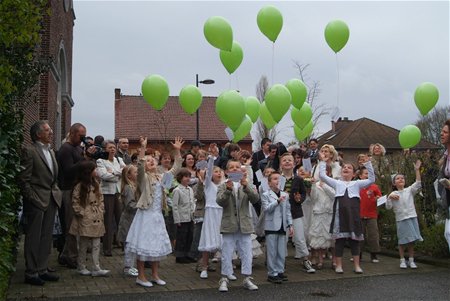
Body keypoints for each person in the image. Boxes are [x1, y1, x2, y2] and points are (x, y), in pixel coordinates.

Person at [126, 136, 184, 287]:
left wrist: (177, 151)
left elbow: (176, 168)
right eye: (148, 161)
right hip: (145, 215)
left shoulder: (161, 177)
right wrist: (143, 149)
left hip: (157, 216)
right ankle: (141, 276)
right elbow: (139, 166)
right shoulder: (143, 178)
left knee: (156, 245)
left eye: (153, 160)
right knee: (143, 245)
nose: (151, 162)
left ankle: (155, 275)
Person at [18, 121, 62, 285]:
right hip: (36, 201)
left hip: (51, 199)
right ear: (38, 134)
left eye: (50, 129)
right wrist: (34, 199)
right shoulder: (29, 151)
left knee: (46, 237)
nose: (51, 132)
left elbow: (53, 176)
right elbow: (24, 180)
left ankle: (42, 269)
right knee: (33, 237)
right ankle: (31, 273)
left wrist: (55, 192)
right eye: (47, 130)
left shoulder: (50, 151)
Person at [318, 151, 375, 274]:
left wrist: (368, 164)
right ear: (340, 171)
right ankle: (339, 265)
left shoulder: (357, 183)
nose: (346, 168)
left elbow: (371, 179)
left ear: (354, 174)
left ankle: (357, 265)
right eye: (344, 167)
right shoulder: (337, 183)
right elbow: (322, 176)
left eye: (349, 168)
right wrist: (323, 161)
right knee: (340, 241)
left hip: (353, 217)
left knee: (355, 241)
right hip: (340, 216)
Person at [217, 160, 260, 292]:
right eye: (231, 167)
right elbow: (220, 201)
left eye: (237, 167)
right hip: (229, 224)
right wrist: (228, 190)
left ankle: (247, 278)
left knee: (246, 252)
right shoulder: (223, 185)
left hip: (244, 224)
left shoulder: (246, 184)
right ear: (227, 171)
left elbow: (255, 199)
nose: (235, 169)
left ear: (241, 171)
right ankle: (224, 278)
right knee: (227, 252)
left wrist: (246, 186)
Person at [56, 123, 90, 269]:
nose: (82, 139)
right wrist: (84, 161)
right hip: (67, 189)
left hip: (77, 188)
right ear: (72, 133)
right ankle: (71, 256)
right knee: (70, 224)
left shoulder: (78, 148)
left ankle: (65, 254)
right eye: (81, 136)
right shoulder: (65, 149)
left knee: (76, 222)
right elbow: (68, 170)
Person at [69, 160, 110, 277]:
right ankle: (81, 266)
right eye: (94, 169)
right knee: (83, 243)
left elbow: (100, 198)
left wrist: (101, 209)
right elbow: (75, 201)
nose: (96, 171)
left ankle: (96, 266)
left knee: (97, 242)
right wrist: (81, 212)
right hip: (86, 217)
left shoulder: (96, 183)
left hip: (96, 215)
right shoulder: (79, 186)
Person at [279, 153, 314, 273]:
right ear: (281, 164)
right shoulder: (278, 178)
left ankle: (305, 259)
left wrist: (300, 199)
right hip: (281, 213)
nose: (287, 162)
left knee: (300, 237)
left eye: (290, 160)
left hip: (296, 211)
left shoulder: (298, 179)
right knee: (282, 238)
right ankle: (280, 261)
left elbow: (303, 193)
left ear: (294, 163)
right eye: (285, 160)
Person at [386, 160, 423, 269]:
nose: (400, 179)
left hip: (412, 217)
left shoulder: (409, 190)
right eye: (397, 178)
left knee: (411, 241)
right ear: (394, 183)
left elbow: (418, 183)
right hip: (401, 219)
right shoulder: (393, 194)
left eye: (402, 178)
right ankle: (402, 260)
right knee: (402, 241)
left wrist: (417, 170)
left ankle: (411, 260)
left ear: (405, 181)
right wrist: (389, 197)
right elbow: (388, 207)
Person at [310, 144, 341, 269]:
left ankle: (334, 260)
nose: (324, 153)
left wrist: (324, 185)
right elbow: (316, 183)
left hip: (332, 205)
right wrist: (313, 185)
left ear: (332, 154)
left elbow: (337, 189)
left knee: (333, 234)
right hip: (319, 203)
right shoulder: (317, 166)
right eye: (322, 151)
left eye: (327, 151)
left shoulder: (337, 167)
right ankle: (320, 259)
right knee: (320, 234)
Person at [197, 145, 224, 279]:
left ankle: (227, 269)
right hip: (210, 213)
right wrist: (212, 157)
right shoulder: (208, 185)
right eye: (215, 171)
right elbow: (207, 175)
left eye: (220, 172)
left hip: (222, 214)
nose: (218, 173)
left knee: (224, 241)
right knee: (208, 240)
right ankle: (204, 267)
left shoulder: (224, 185)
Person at [261, 172, 293, 284]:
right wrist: (277, 201)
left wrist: (290, 224)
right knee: (272, 251)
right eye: (274, 179)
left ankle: (280, 271)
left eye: (279, 179)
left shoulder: (285, 194)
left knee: (281, 251)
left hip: (282, 226)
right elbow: (266, 209)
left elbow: (288, 210)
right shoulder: (266, 194)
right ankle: (272, 273)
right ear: (269, 183)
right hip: (271, 226)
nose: (277, 181)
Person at [96, 140, 126, 256]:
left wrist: (113, 172)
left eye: (114, 147)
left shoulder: (119, 160)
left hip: (119, 193)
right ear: (105, 149)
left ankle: (125, 247)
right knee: (108, 221)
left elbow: (126, 172)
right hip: (107, 193)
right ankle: (107, 249)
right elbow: (103, 176)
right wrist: (118, 174)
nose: (112, 149)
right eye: (110, 147)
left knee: (121, 220)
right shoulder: (100, 161)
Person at [117, 165, 139, 277]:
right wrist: (141, 205)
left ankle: (132, 265)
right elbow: (130, 205)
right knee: (129, 244)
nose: (138, 173)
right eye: (135, 172)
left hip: (134, 219)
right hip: (129, 220)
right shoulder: (128, 188)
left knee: (133, 244)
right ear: (129, 175)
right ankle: (128, 267)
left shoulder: (135, 186)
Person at [358, 166, 382, 263]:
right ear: (360, 176)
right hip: (359, 214)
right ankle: (358, 254)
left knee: (373, 235)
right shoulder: (357, 186)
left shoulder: (374, 186)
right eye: (365, 173)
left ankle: (374, 255)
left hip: (372, 214)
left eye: (369, 174)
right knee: (359, 235)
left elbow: (379, 196)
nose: (367, 176)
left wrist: (377, 198)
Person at [172, 168, 196, 264]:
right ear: (180, 178)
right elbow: (175, 206)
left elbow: (192, 201)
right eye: (186, 177)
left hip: (190, 217)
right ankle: (179, 255)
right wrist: (177, 219)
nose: (188, 178)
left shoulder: (190, 189)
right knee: (181, 237)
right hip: (182, 218)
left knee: (189, 236)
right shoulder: (177, 190)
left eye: (189, 177)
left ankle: (187, 254)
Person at [438, 119, 450, 251]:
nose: (441, 134)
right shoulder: (445, 156)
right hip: (448, 198)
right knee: (448, 233)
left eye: (445, 132)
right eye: (441, 131)